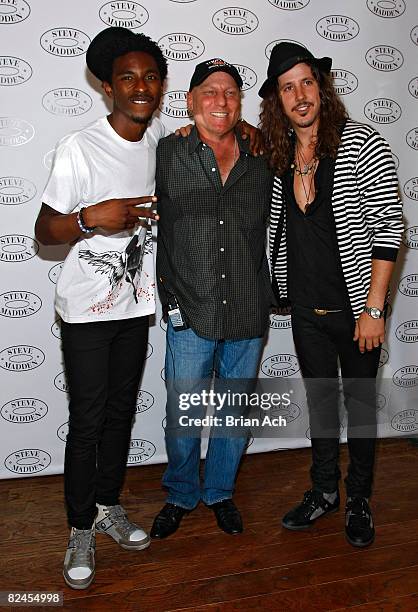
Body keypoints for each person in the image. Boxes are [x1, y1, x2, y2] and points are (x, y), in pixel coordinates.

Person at [35, 26, 169, 590]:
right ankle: (78, 527)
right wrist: (94, 217)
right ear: (108, 88)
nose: (141, 87)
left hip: (135, 305)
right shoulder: (79, 147)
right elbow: (44, 229)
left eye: (150, 77)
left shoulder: (159, 138)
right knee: (88, 421)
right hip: (87, 312)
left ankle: (109, 507)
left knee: (120, 415)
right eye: (127, 78)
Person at [258, 42, 403, 547]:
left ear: (322, 87)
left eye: (306, 82)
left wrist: (375, 309)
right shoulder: (279, 159)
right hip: (306, 313)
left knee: (359, 409)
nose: (299, 95)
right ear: (277, 100)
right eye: (287, 87)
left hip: (357, 311)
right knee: (321, 406)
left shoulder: (361, 143)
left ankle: (359, 498)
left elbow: (390, 229)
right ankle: (324, 492)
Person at [150, 58, 274, 539]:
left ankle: (220, 490)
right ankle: (181, 491)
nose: (220, 101)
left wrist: (251, 130)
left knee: (233, 410)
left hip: (247, 304)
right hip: (191, 305)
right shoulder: (166, 152)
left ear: (240, 103)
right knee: (182, 410)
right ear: (190, 100)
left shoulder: (263, 154)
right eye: (209, 91)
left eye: (230, 93)